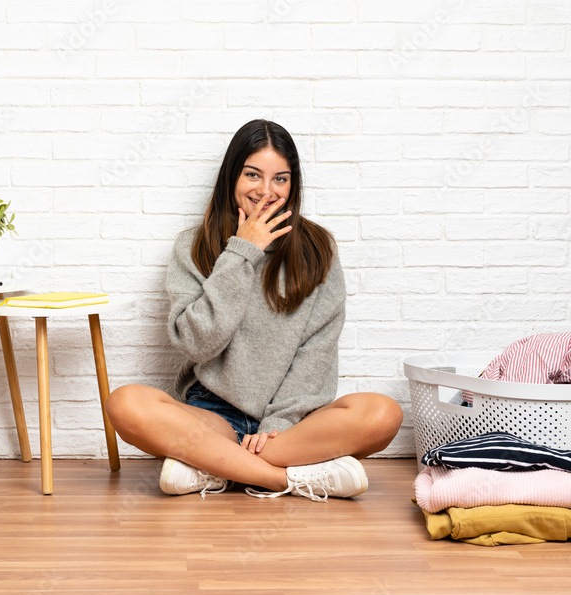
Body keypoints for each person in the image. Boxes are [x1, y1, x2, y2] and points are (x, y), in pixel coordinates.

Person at [105, 119, 403, 501]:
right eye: (252, 175)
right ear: (232, 177)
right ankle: (287, 480)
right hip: (213, 418)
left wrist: (279, 425)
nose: (266, 191)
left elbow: (316, 353)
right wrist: (242, 253)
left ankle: (215, 468)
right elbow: (196, 344)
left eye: (280, 179)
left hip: (292, 427)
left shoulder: (318, 250)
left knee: (383, 413)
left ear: (293, 184)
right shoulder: (193, 246)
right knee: (126, 404)